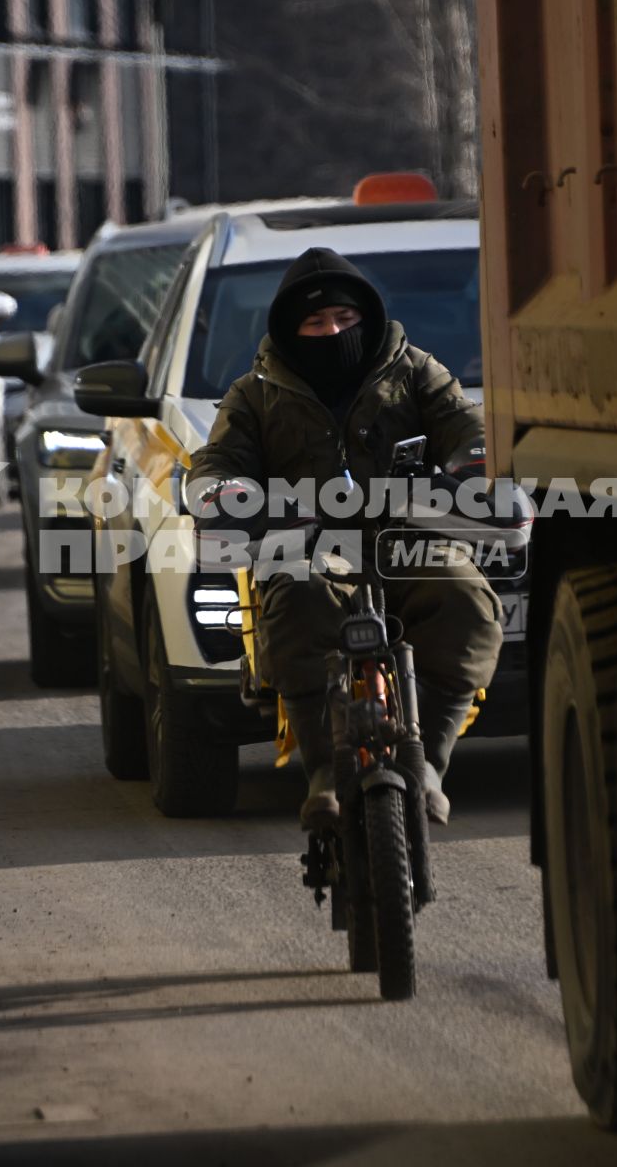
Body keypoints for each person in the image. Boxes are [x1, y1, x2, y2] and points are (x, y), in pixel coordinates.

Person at [188, 247, 503, 830]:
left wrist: (469, 470)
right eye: (314, 322)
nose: (331, 331)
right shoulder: (253, 395)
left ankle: (430, 764)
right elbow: (216, 465)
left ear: (367, 318)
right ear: (290, 330)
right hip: (309, 549)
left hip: (412, 542)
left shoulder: (417, 371)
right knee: (295, 598)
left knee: (464, 596)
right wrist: (229, 498)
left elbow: (471, 430)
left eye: (343, 318)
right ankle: (324, 774)